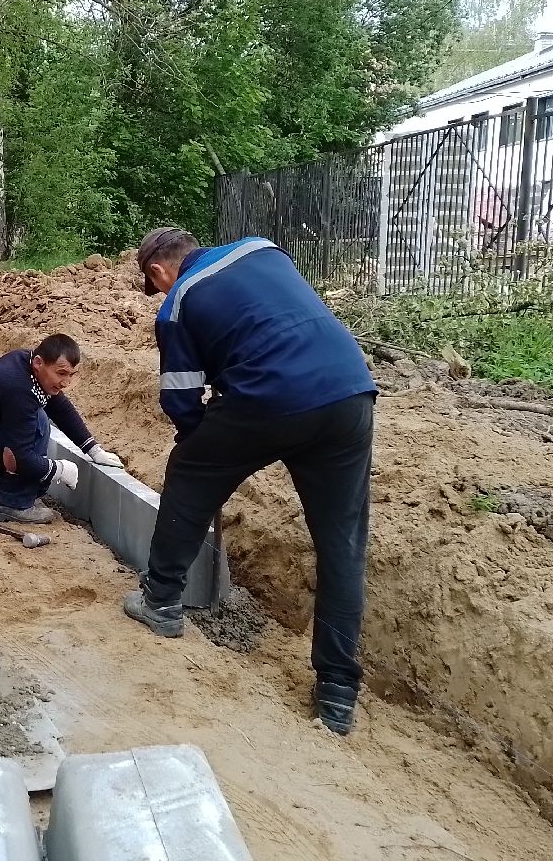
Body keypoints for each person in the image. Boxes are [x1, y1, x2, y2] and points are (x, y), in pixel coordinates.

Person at [124, 227, 377, 735]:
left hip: (269, 397)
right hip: (350, 394)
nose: (159, 292)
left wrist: (205, 447)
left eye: (155, 285)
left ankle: (161, 600)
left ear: (158, 272)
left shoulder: (177, 302)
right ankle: (337, 692)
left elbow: (179, 400)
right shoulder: (262, 248)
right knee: (342, 544)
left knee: (189, 471)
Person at [0, 334, 125, 524]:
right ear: (39, 363)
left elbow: (60, 407)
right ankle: (13, 503)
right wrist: (60, 470)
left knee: (35, 419)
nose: (66, 383)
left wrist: (93, 449)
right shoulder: (18, 387)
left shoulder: (26, 365)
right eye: (61, 373)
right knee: (38, 422)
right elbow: (21, 457)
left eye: (71, 375)